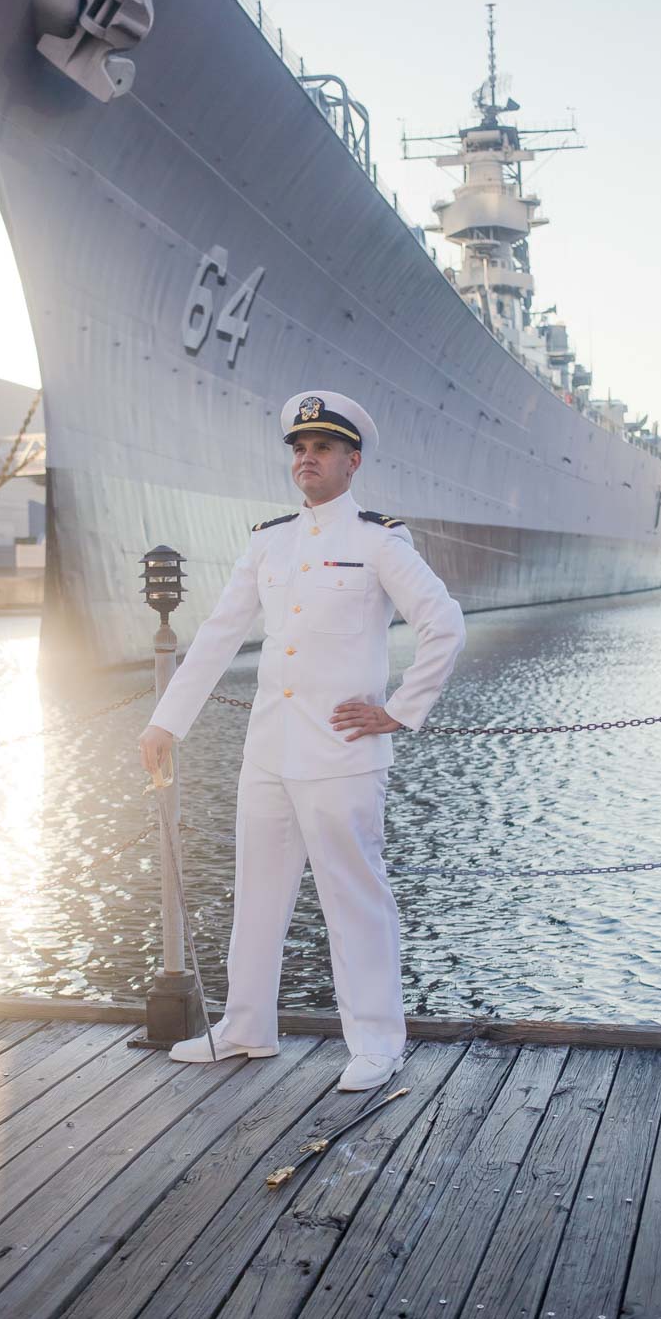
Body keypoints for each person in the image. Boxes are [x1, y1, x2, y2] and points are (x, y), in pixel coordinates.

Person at [138, 390, 465, 1091]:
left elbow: (444, 624)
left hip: (343, 754)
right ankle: (247, 1027)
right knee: (256, 894)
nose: (306, 459)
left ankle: (377, 1043)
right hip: (270, 751)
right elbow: (220, 635)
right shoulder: (269, 541)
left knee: (355, 900)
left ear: (352, 462)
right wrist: (166, 721)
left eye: (322, 449)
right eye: (299, 448)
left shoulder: (378, 540)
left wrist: (401, 711)